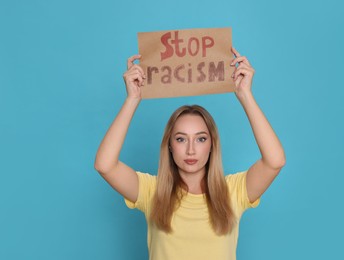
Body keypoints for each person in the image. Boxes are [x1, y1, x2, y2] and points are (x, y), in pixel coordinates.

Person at [94, 48, 286, 260]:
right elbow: (105, 165)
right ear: (169, 145)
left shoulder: (233, 192)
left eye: (201, 139)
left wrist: (246, 95)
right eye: (181, 139)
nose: (191, 149)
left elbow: (275, 161)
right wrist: (132, 99)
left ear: (212, 145)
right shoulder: (152, 191)